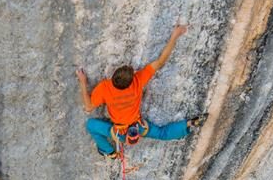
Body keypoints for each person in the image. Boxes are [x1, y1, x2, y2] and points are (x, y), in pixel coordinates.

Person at [77, 23, 204, 159]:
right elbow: (160, 62)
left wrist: (83, 82)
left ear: (113, 77)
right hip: (139, 127)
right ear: (131, 80)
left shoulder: (105, 87)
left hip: (120, 132)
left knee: (91, 125)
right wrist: (174, 36)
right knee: (162, 133)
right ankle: (188, 124)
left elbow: (89, 107)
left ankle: (110, 152)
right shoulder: (137, 81)